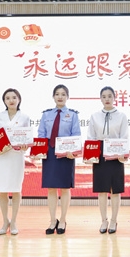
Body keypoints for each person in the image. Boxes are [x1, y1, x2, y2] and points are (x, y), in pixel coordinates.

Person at [38, 84, 80, 235]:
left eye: (63, 94)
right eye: (57, 94)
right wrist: (39, 151)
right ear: (53, 97)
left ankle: (62, 219)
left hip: (66, 153)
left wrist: (72, 151)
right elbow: (41, 135)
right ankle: (52, 220)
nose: (60, 97)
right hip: (50, 152)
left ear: (67, 97)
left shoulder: (73, 115)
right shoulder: (46, 115)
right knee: (51, 188)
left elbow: (76, 134)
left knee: (65, 188)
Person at [87, 86, 129, 234]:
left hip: (116, 154)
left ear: (114, 98)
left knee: (115, 190)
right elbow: (91, 137)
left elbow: (124, 136)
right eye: (104, 96)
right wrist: (90, 155)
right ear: (100, 98)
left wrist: (122, 153)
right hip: (100, 154)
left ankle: (113, 220)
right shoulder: (94, 116)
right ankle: (104, 220)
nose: (107, 99)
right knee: (102, 190)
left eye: (110, 96)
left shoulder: (122, 116)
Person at [0, 88, 30, 235]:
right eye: (8, 98)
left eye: (14, 97)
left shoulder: (24, 117)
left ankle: (13, 221)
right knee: (3, 189)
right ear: (4, 101)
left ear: (19, 99)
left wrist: (26, 145)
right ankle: (4, 221)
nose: (11, 100)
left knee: (16, 189)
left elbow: (27, 137)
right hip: (2, 157)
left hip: (16, 157)